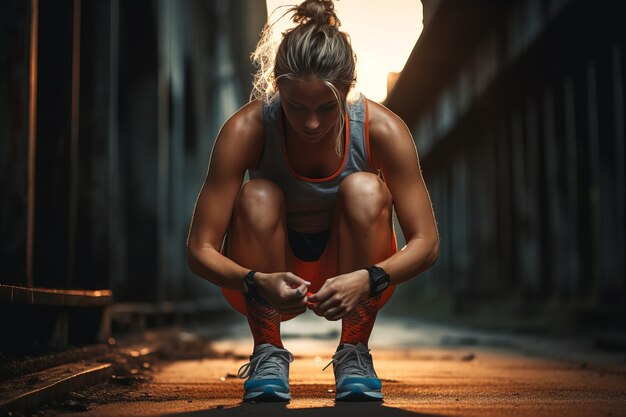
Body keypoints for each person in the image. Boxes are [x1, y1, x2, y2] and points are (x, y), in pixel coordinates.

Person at [187, 0, 439, 403]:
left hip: (357, 277)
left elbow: (426, 242)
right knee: (257, 194)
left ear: (349, 86)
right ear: (276, 87)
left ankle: (354, 351)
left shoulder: (384, 130)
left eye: (326, 107)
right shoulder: (246, 129)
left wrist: (370, 277)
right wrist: (254, 280)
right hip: (267, 276)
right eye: (295, 107)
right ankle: (267, 351)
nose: (311, 124)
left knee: (366, 188)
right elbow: (198, 250)